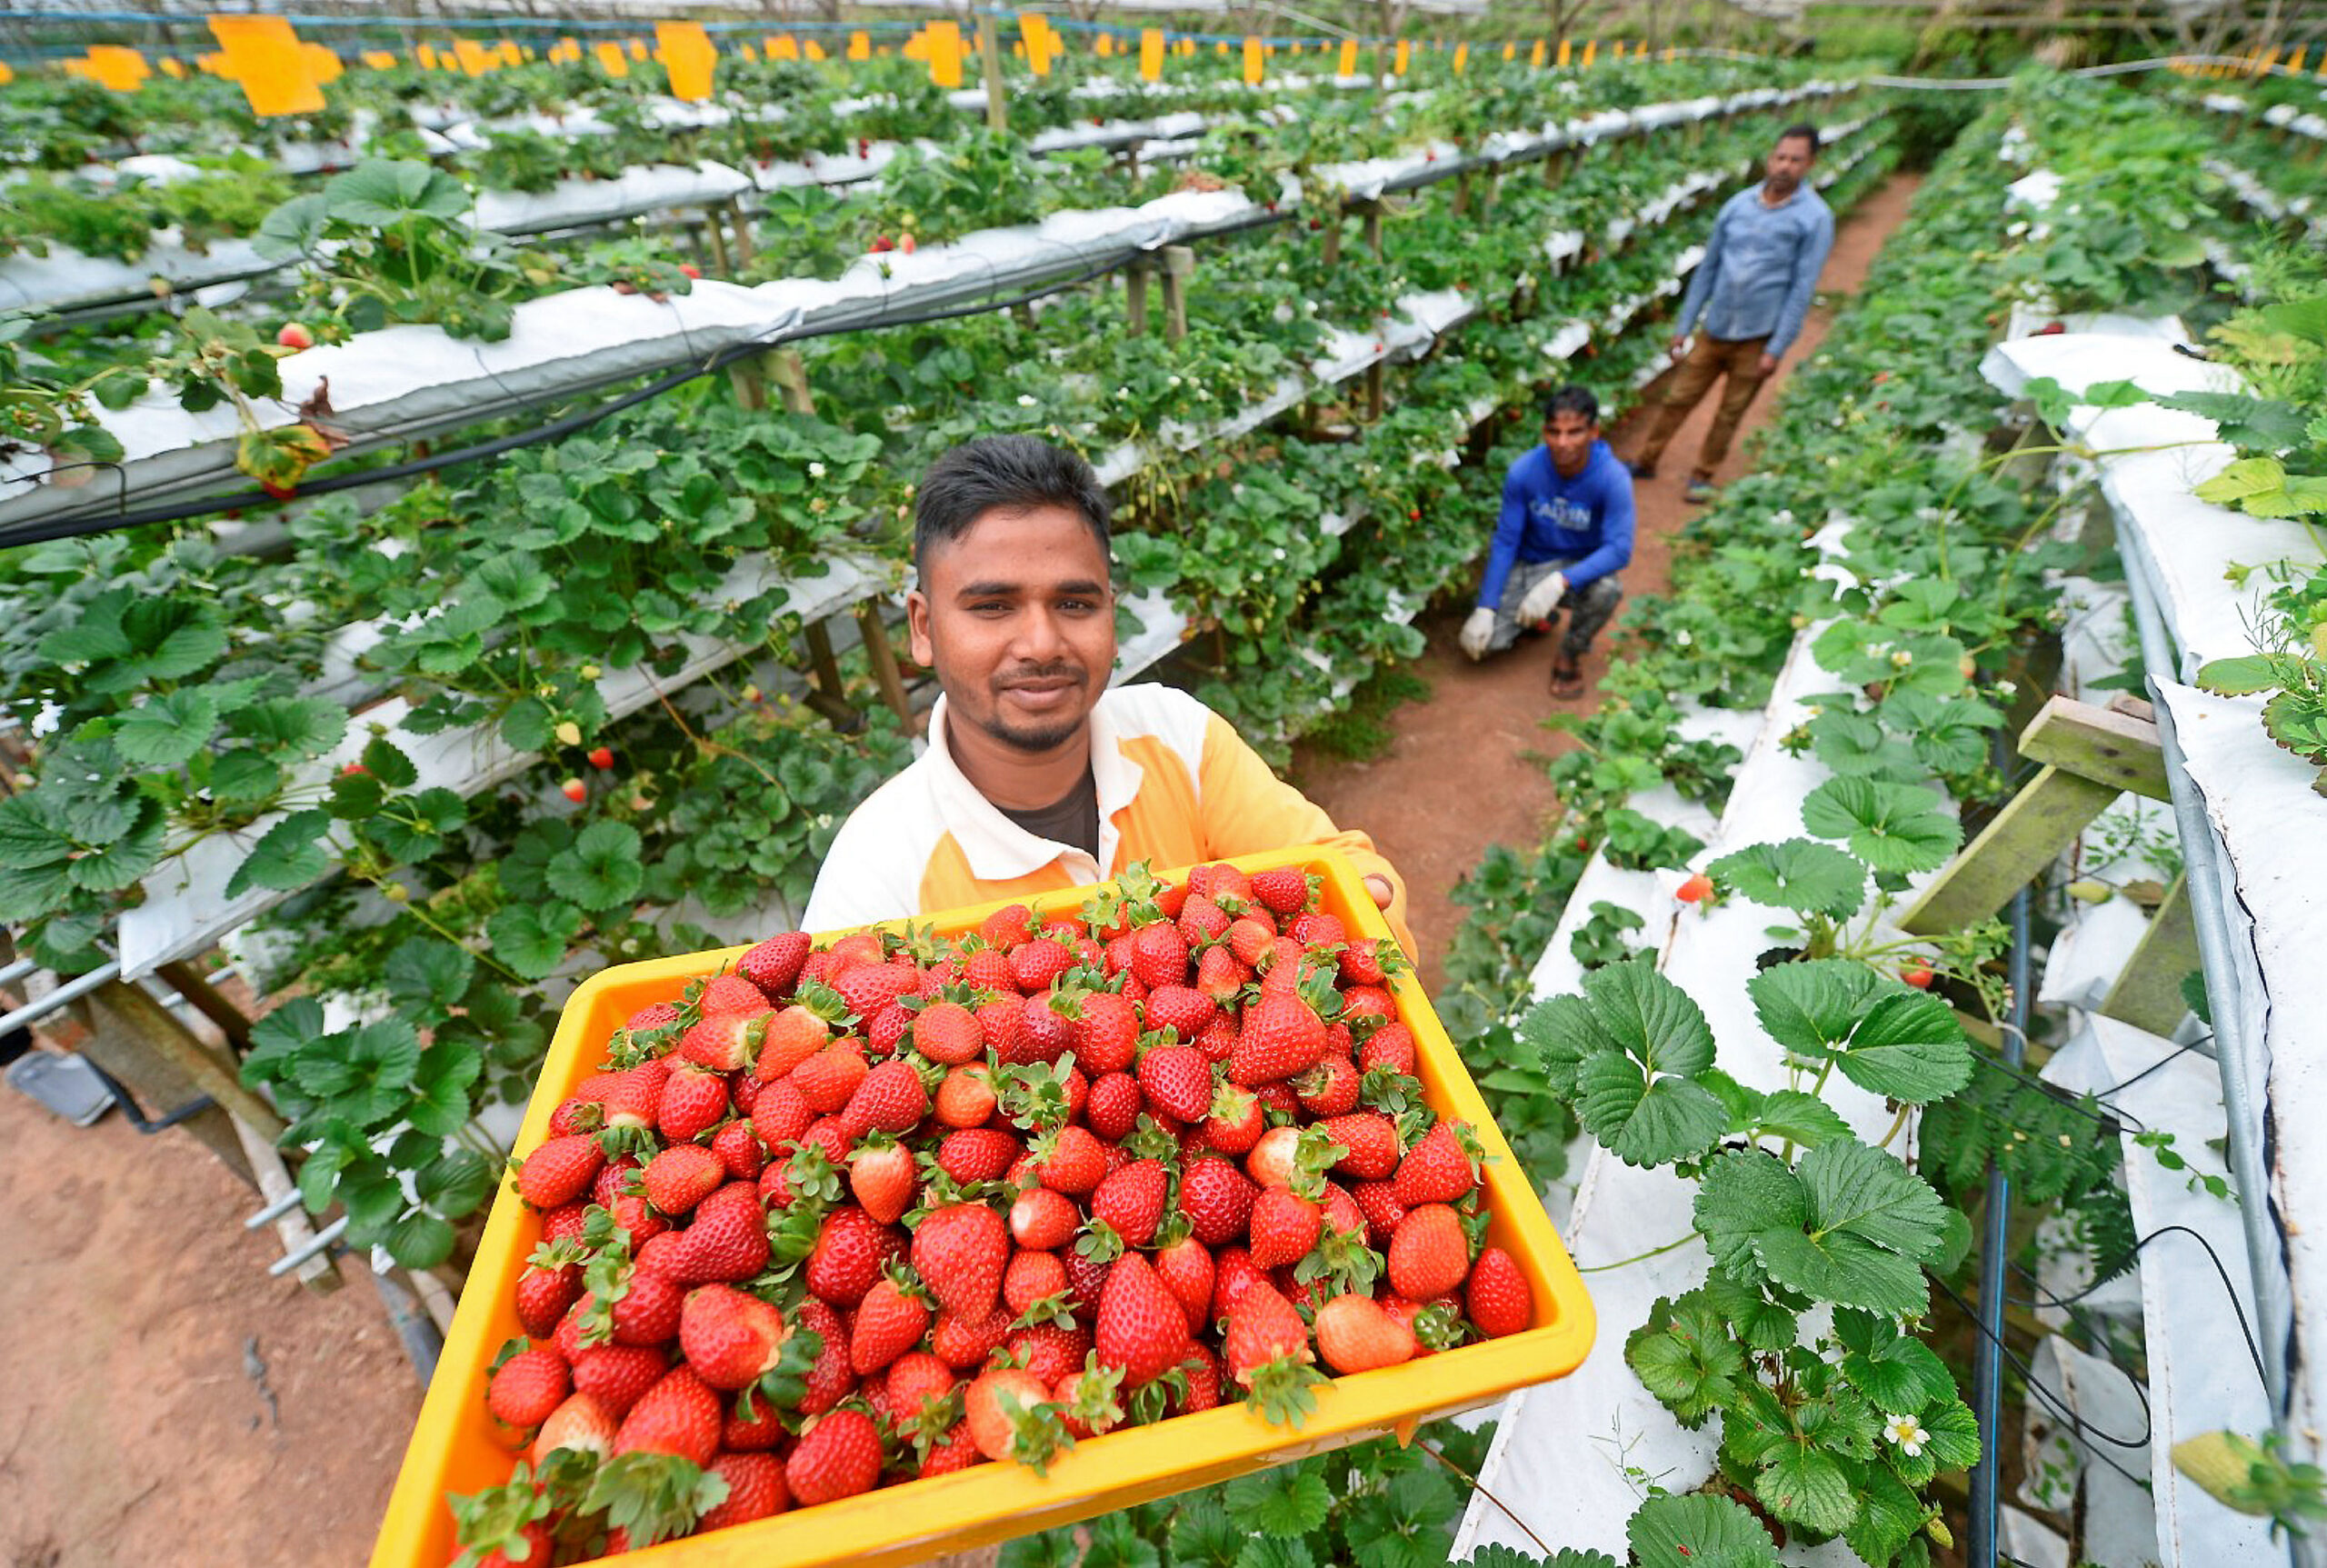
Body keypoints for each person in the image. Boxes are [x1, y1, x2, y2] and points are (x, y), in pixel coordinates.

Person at [803, 434, 1414, 952]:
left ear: (1111, 615)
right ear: (924, 627)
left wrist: (1366, 911)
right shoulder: (878, 877)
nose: (1041, 644)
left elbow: (1337, 861)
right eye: (992, 607)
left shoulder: (1177, 736)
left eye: (1075, 603)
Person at [1629, 123, 1835, 504]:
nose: (1785, 166)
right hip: (1716, 326)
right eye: (1780, 157)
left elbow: (1801, 289)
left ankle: (1703, 474)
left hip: (1758, 335)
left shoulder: (1815, 219)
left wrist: (1778, 347)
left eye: (1795, 160)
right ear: (1770, 158)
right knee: (1679, 397)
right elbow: (1708, 268)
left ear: (1810, 164)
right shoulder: (1738, 206)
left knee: (1731, 411)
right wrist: (1684, 324)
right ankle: (1646, 459)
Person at [1457, 385, 1633, 698]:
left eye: (1574, 432)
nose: (1562, 443)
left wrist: (1562, 581)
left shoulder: (1611, 478)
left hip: (1578, 568)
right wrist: (1486, 606)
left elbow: (1619, 549)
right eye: (1554, 432)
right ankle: (1538, 618)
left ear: (1594, 432)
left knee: (1607, 590)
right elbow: (1506, 540)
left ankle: (1570, 653)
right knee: (1484, 642)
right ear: (1544, 432)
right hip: (1531, 563)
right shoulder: (1525, 471)